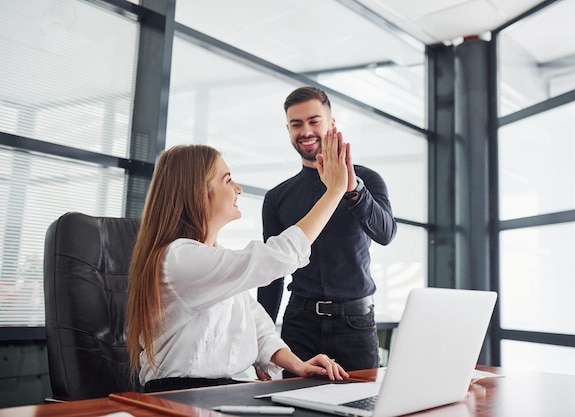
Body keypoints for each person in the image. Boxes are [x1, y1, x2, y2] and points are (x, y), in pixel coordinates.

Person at [126, 136, 351, 393]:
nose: (238, 189)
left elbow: (256, 325)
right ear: (198, 191)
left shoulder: (211, 258)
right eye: (227, 179)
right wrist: (334, 192)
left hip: (217, 391)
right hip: (178, 393)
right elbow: (275, 258)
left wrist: (297, 365)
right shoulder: (178, 259)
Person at [258, 86, 397, 377]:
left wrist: (353, 189)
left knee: (362, 405)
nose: (305, 130)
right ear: (288, 130)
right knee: (295, 407)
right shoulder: (277, 197)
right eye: (296, 124)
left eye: (314, 121)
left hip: (355, 323)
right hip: (299, 322)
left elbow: (385, 234)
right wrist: (263, 345)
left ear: (332, 124)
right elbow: (271, 275)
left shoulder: (367, 179)